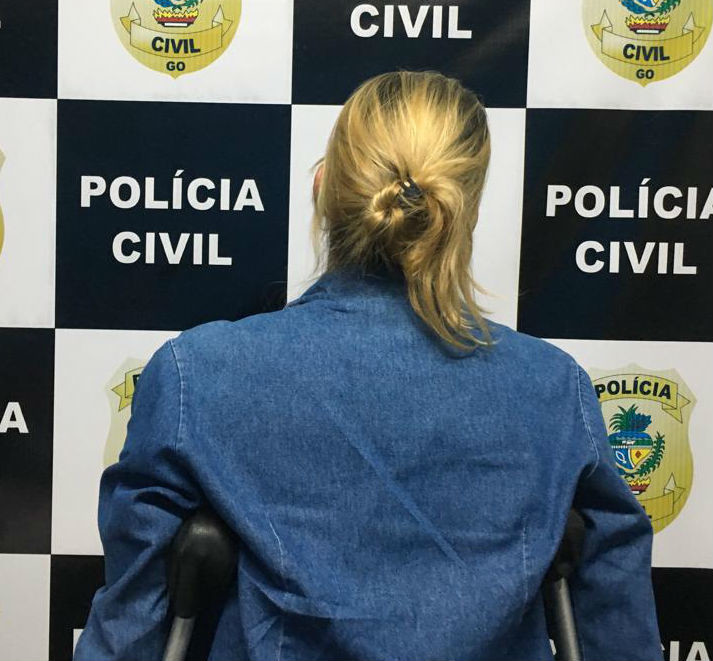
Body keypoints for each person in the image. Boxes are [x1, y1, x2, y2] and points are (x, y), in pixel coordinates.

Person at [74, 70, 664, 661]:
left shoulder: (196, 374)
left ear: (323, 185)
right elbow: (619, 629)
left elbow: (129, 627)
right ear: (468, 208)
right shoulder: (553, 388)